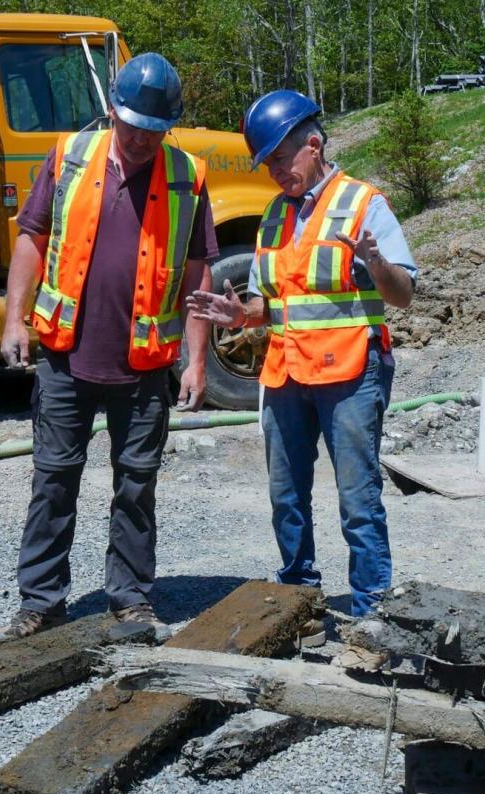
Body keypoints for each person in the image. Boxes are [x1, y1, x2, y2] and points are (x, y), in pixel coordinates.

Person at [0, 53, 217, 643]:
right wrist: (15, 321)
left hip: (144, 367)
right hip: (66, 357)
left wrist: (196, 360)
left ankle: (132, 602)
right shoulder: (70, 156)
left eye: (155, 130)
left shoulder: (187, 175)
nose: (142, 139)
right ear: (112, 112)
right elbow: (31, 239)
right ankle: (41, 602)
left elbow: (197, 276)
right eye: (133, 125)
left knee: (136, 487)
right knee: (53, 482)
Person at [187, 90, 417, 621]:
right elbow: (276, 304)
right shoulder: (274, 213)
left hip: (350, 374)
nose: (274, 172)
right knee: (286, 498)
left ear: (312, 145)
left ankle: (370, 614)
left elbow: (402, 294)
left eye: (279, 159)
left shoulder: (364, 204)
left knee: (358, 502)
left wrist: (377, 265)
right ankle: (299, 601)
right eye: (266, 163)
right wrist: (240, 313)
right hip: (287, 373)